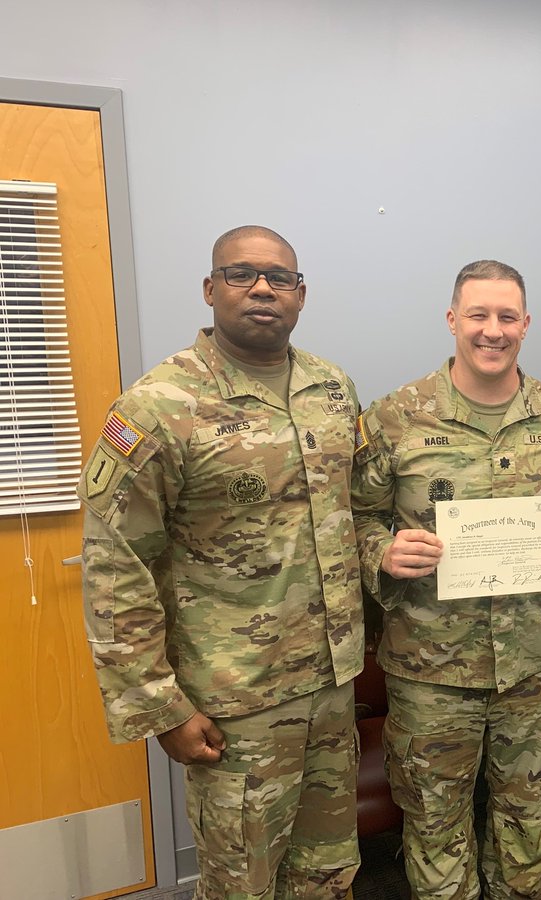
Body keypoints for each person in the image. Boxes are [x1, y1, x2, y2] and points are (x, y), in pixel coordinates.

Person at [77, 226, 365, 899]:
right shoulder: (160, 406)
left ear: (300, 295)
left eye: (279, 278)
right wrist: (161, 707)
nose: (262, 288)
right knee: (243, 884)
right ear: (211, 290)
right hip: (235, 703)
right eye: (241, 274)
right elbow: (114, 567)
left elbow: (362, 513)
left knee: (328, 873)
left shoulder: (332, 388)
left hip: (330, 685)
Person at [352, 260, 541, 900]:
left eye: (507, 317)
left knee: (527, 819)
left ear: (526, 324)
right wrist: (382, 550)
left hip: (531, 668)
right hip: (431, 672)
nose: (493, 331)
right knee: (435, 827)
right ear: (453, 319)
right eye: (479, 315)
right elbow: (355, 517)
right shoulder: (395, 418)